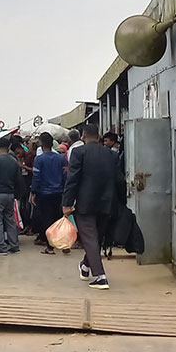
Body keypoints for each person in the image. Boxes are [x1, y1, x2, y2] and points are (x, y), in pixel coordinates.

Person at [62, 124, 118, 289]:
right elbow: (118, 179)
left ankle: (100, 276)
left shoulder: (79, 153)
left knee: (90, 239)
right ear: (99, 136)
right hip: (107, 202)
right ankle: (85, 267)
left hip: (85, 203)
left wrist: (66, 203)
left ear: (83, 136)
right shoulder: (111, 154)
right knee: (96, 238)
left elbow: (72, 180)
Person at [30, 132, 66, 254]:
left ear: (41, 144)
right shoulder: (61, 159)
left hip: (43, 194)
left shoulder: (39, 159)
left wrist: (34, 192)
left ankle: (50, 247)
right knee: (58, 218)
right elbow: (65, 176)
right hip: (58, 193)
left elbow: (36, 177)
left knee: (46, 219)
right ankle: (64, 243)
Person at [0, 135, 21, 254]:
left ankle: (1, 246)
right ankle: (14, 245)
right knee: (10, 220)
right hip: (10, 193)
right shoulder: (13, 161)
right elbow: (18, 179)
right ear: (9, 146)